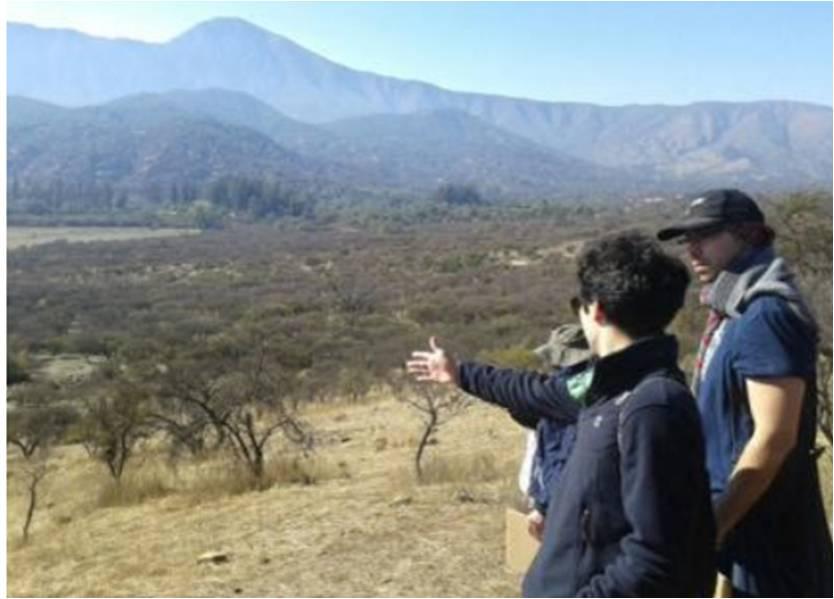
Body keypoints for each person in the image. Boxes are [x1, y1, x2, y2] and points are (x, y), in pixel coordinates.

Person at [407, 232, 715, 597]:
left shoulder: (652, 406)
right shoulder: (604, 387)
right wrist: (459, 373)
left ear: (596, 309)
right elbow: (534, 392)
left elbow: (654, 559)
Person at [658, 189, 832, 597]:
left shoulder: (765, 315)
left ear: (749, 235)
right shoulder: (734, 309)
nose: (692, 250)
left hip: (771, 539)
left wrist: (717, 524)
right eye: (687, 240)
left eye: (706, 235)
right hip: (745, 532)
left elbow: (775, 438)